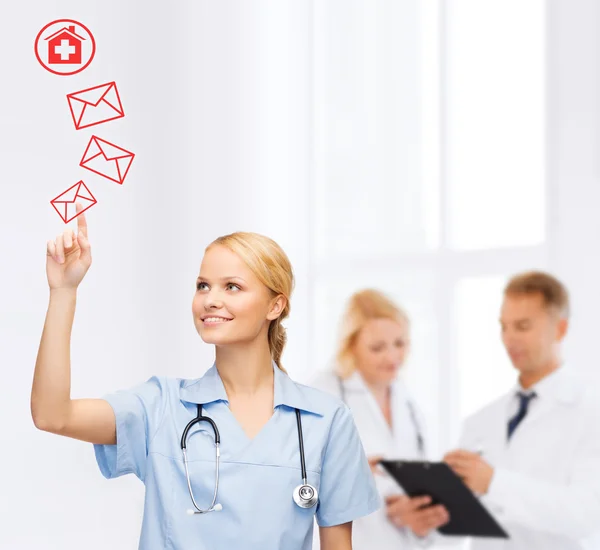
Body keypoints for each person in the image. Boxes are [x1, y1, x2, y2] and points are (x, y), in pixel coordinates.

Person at [31, 204, 381, 550]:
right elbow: (52, 415)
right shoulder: (160, 406)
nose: (210, 299)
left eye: (232, 287)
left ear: (275, 306)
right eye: (203, 285)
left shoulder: (325, 420)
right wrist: (63, 292)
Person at [442, 271, 600, 549]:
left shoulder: (590, 410)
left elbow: (587, 514)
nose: (509, 338)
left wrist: (494, 483)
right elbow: (461, 520)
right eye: (504, 326)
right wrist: (433, 507)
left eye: (523, 326)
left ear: (560, 329)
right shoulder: (481, 420)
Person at [310, 289, 449, 550]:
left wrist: (418, 517)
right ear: (351, 345)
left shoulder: (408, 403)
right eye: (377, 348)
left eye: (400, 343)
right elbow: (302, 475)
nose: (392, 357)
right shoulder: (324, 392)